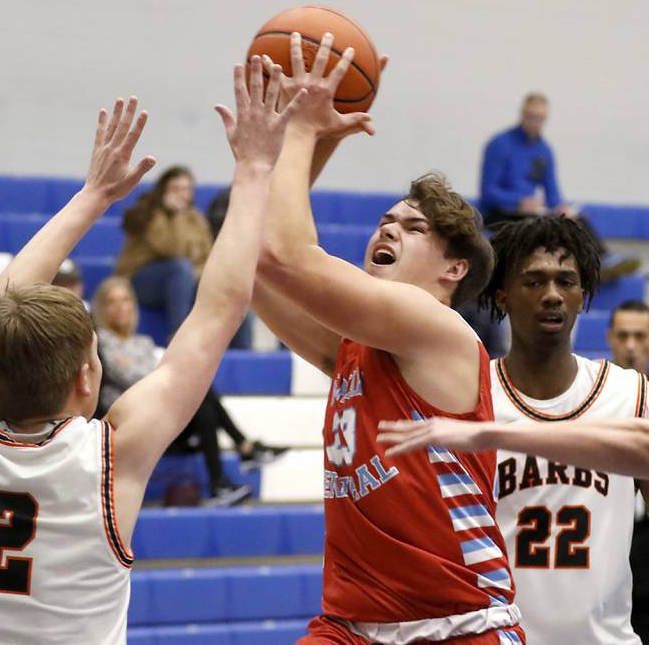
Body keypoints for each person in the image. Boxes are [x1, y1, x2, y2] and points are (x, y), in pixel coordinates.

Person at [0, 59, 306, 644]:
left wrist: (92, 196)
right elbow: (219, 314)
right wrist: (255, 167)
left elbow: (0, 309)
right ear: (85, 378)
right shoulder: (109, 457)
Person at [253, 33, 524, 644]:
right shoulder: (354, 345)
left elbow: (287, 255)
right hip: (351, 626)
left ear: (454, 269)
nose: (390, 228)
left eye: (414, 226)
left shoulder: (438, 329)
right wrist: (301, 146)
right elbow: (254, 264)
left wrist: (299, 130)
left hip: (458, 625)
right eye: (386, 220)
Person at [382, 215, 644, 644]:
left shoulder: (629, 394)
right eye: (534, 282)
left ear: (583, 296)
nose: (553, 295)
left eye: (566, 281)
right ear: (502, 297)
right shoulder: (468, 393)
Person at [92, 275, 287, 505]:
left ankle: (221, 480)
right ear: (103, 308)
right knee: (198, 389)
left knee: (203, 401)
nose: (120, 307)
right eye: (112, 302)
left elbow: (150, 377)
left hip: (158, 412)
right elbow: (132, 378)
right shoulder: (101, 342)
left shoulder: (142, 342)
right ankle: (241, 451)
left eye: (125, 300)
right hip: (129, 420)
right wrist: (165, 379)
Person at [480, 92, 639, 281]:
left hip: (530, 213)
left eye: (539, 118)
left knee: (574, 221)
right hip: (501, 214)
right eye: (531, 117)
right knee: (549, 227)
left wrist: (563, 208)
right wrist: (518, 201)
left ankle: (600, 261)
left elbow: (552, 193)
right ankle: (596, 264)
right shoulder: (500, 144)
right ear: (522, 114)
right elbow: (488, 192)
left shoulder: (543, 150)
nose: (534, 122)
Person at [115, 166, 253, 348]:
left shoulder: (196, 218)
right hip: (141, 279)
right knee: (179, 268)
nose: (181, 194)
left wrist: (201, 276)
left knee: (230, 286)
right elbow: (172, 249)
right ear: (163, 189)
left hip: (184, 281)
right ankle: (177, 338)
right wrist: (176, 215)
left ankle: (240, 353)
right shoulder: (150, 214)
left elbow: (208, 257)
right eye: (176, 188)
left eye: (186, 189)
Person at [607, 300, 649, 644]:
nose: (631, 345)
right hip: (606, 528)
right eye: (623, 335)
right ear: (610, 338)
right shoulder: (594, 399)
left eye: (640, 336)